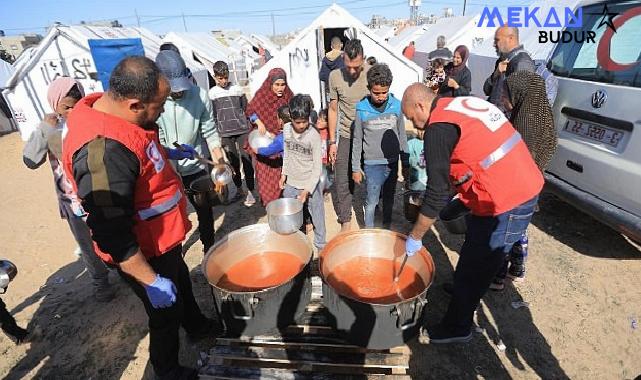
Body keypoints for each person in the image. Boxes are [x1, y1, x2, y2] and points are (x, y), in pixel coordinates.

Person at [62, 56, 215, 380]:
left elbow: (142, 150)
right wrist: (150, 281)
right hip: (144, 253)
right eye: (158, 107)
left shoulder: (122, 117)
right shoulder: (102, 152)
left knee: (183, 284)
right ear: (134, 104)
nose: (161, 112)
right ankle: (167, 369)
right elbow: (111, 234)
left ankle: (198, 325)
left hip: (164, 241)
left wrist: (170, 153)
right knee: (164, 313)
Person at [401, 83, 543, 343]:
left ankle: (458, 327)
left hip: (509, 197)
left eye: (412, 117)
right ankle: (462, 290)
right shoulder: (456, 103)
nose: (416, 125)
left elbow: (435, 193)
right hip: (506, 181)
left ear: (421, 105)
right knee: (474, 247)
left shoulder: (438, 126)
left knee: (478, 265)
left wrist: (415, 235)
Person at [22, 77, 114, 302]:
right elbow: (31, 161)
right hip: (73, 202)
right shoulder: (51, 129)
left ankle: (124, 271)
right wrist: (44, 129)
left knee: (110, 235)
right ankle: (101, 284)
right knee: (86, 245)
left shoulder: (93, 120)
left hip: (98, 193)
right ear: (55, 106)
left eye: (76, 103)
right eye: (66, 107)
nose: (72, 111)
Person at [488, 70, 557, 288]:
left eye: (506, 95)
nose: (501, 99)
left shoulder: (525, 126)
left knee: (505, 232)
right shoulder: (540, 116)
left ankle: (497, 276)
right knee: (520, 229)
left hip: (518, 188)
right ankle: (517, 269)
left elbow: (515, 162)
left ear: (520, 94)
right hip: (533, 185)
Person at [155, 50, 225, 254]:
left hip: (195, 165)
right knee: (172, 215)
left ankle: (208, 249)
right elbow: (152, 138)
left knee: (204, 211)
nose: (178, 93)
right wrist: (169, 156)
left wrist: (219, 161)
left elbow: (210, 133)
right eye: (172, 89)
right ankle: (174, 251)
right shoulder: (154, 101)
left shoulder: (200, 96)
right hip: (166, 169)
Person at [351, 64, 409, 229]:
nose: (381, 96)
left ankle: (386, 227)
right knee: (372, 200)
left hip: (392, 161)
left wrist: (405, 163)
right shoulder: (361, 109)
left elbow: (402, 135)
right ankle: (370, 232)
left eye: (385, 92)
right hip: (372, 164)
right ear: (369, 89)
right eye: (376, 93)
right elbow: (357, 140)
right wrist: (355, 167)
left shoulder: (396, 106)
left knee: (389, 197)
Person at [328, 39, 370, 232]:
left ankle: (372, 213)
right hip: (345, 134)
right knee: (341, 176)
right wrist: (332, 142)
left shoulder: (371, 73)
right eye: (349, 67)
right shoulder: (335, 76)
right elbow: (333, 110)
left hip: (369, 136)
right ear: (343, 57)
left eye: (357, 67)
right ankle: (346, 218)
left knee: (372, 176)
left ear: (363, 60)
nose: (353, 72)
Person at [280, 94, 326, 251]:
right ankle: (299, 245)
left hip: (310, 183)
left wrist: (307, 189)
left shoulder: (313, 135)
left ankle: (320, 247)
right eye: (297, 122)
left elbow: (317, 167)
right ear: (291, 118)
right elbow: (287, 153)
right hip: (291, 182)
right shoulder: (286, 129)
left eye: (304, 122)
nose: (301, 125)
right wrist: (283, 174)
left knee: (317, 215)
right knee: (294, 216)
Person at [209, 60, 256, 207]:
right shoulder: (212, 94)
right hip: (225, 133)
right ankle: (239, 189)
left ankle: (250, 191)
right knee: (232, 162)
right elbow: (213, 115)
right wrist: (217, 133)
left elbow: (245, 108)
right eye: (220, 78)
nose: (223, 81)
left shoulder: (237, 89)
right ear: (215, 76)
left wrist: (250, 124)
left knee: (246, 160)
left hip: (242, 129)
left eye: (225, 77)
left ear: (228, 74)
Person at [245, 68, 293, 206]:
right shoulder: (261, 96)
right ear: (270, 84)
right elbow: (250, 110)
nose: (280, 88)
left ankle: (286, 206)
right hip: (264, 142)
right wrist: (259, 122)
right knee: (267, 181)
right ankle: (271, 206)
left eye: (282, 84)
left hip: (284, 145)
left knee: (285, 179)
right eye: (276, 85)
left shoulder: (289, 97)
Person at [483, 26, 535, 112]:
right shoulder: (502, 60)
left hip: (504, 121)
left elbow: (522, 104)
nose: (494, 44)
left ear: (510, 38)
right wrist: (495, 74)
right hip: (492, 115)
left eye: (497, 40)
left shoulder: (522, 62)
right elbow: (486, 90)